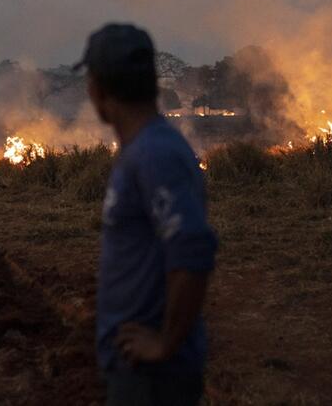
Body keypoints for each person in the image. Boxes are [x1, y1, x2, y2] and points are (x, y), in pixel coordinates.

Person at [73, 23, 218, 406]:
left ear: (99, 89)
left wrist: (165, 342)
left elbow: (193, 249)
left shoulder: (155, 154)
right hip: (132, 367)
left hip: (153, 380)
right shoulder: (142, 150)